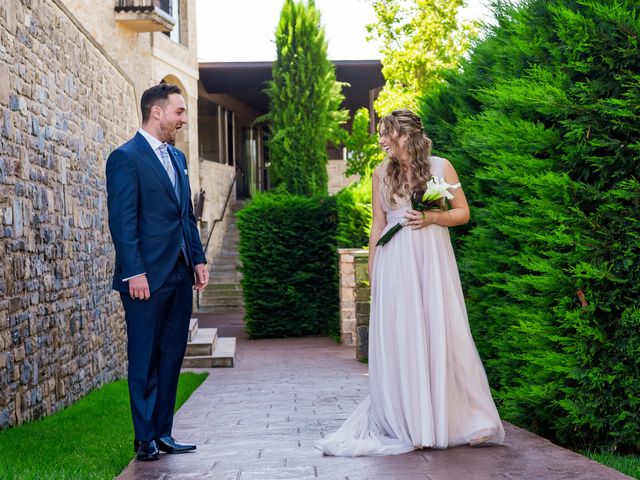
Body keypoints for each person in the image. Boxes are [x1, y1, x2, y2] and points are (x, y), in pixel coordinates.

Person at [316, 109, 504, 456]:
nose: (383, 141)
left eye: (388, 134)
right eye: (381, 135)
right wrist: (373, 267)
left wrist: (432, 216)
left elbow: (462, 213)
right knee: (403, 335)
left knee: (442, 331)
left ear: (408, 135)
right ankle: (409, 421)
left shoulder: (440, 167)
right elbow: (377, 224)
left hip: (431, 258)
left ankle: (462, 418)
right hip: (395, 261)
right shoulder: (379, 174)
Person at [106, 83, 209, 461]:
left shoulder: (179, 159)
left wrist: (197, 259)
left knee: (171, 356)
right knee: (145, 355)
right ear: (157, 113)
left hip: (180, 273)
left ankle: (164, 432)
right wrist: (134, 272)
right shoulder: (125, 158)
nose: (183, 119)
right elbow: (122, 220)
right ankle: (144, 437)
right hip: (145, 279)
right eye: (179, 112)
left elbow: (186, 216)